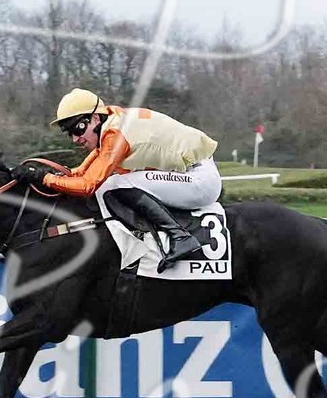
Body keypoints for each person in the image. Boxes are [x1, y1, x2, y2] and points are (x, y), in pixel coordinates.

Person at [11, 89, 222, 272]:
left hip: (200, 181)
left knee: (114, 184)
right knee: (112, 184)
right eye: (70, 133)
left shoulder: (115, 135)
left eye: (78, 128)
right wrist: (44, 175)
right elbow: (79, 173)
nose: (76, 139)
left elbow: (87, 186)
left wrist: (43, 177)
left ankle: (180, 237)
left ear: (95, 118)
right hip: (191, 175)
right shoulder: (111, 121)